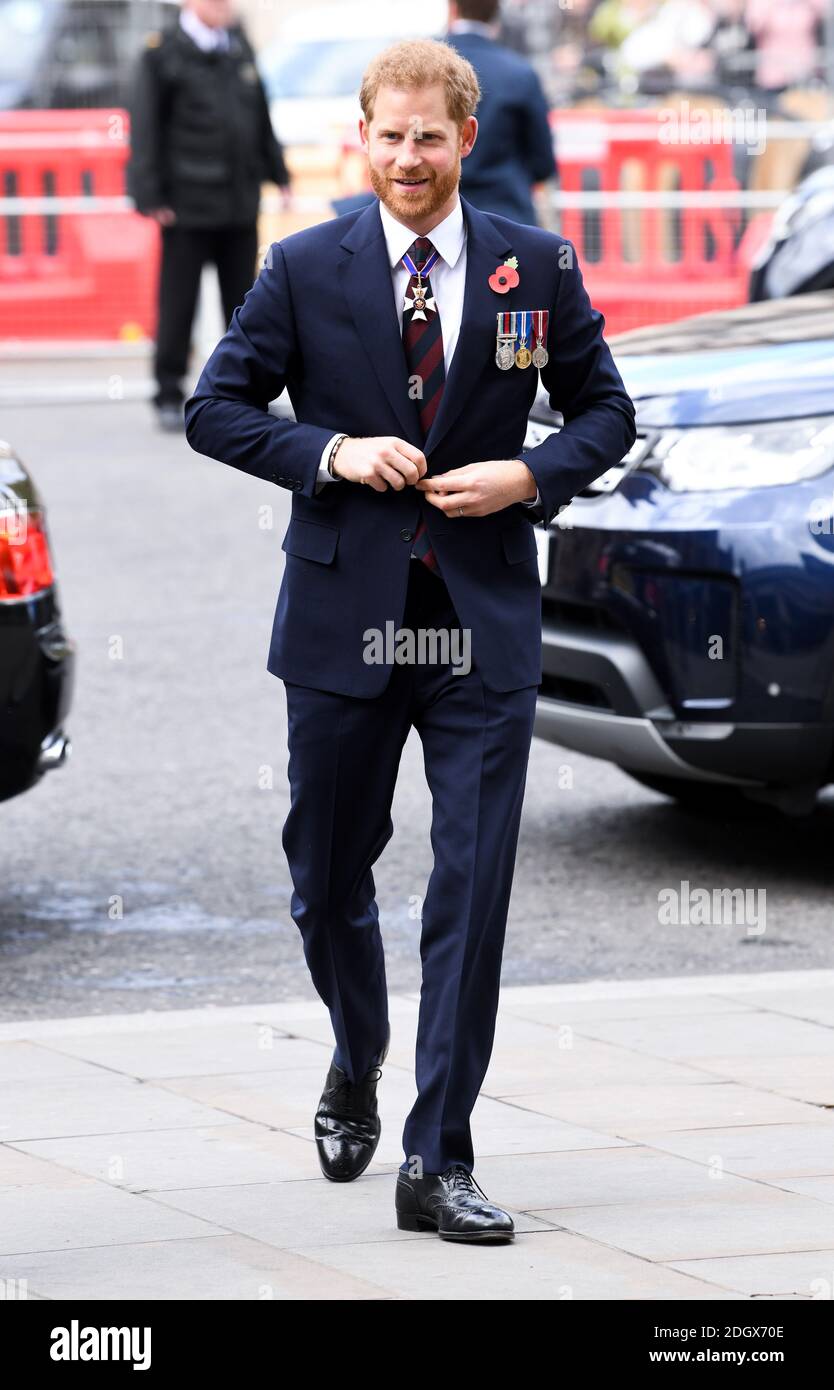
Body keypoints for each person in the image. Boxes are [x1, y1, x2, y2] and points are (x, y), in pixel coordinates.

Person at [184, 38, 636, 1243]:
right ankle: (357, 1049)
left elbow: (606, 411)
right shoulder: (301, 266)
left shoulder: (535, 268)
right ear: (363, 137)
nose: (409, 157)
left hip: (482, 623)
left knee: (473, 887)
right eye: (390, 135)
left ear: (466, 142)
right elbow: (215, 409)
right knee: (326, 882)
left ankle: (439, 1155)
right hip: (345, 622)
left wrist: (527, 474)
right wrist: (327, 453)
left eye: (431, 137)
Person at [126, 0, 291, 431]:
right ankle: (168, 393)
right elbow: (144, 127)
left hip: (239, 202)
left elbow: (260, 116)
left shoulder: (237, 45)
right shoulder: (162, 52)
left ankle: (246, 394)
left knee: (246, 304)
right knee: (178, 303)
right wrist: (149, 193)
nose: (223, 6)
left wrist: (279, 171)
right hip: (186, 205)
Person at [444, 0, 557, 225]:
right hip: (507, 216)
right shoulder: (520, 73)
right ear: (497, 13)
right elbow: (543, 162)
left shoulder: (423, 71)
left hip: (438, 218)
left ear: (452, 8)